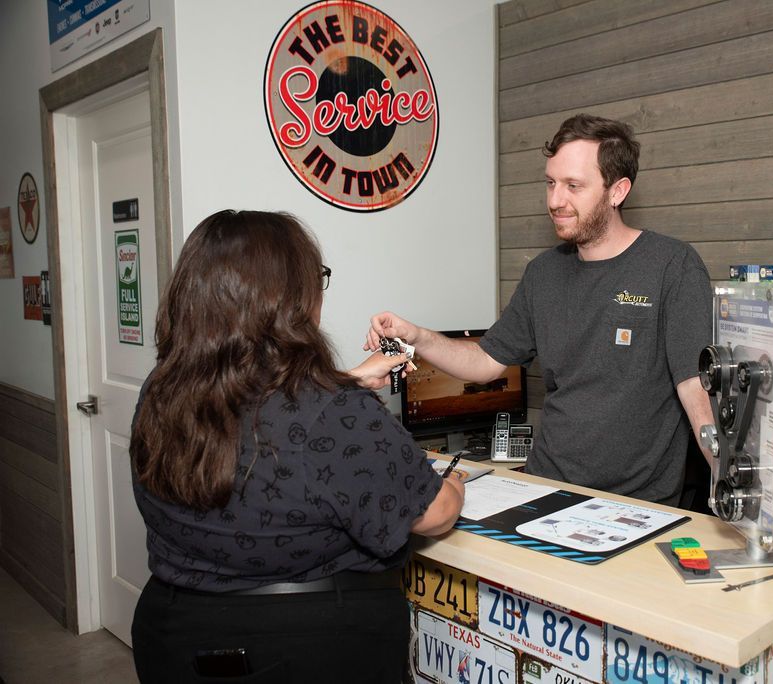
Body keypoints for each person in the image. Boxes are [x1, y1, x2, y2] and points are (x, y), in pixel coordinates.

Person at [129, 210, 464, 683]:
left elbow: (250, 408)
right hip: (305, 645)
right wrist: (453, 482)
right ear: (289, 299)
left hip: (172, 633)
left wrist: (343, 380)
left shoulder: (161, 390)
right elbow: (434, 513)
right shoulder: (334, 413)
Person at [365, 114, 714, 506]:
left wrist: (728, 485)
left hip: (634, 506)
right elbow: (485, 361)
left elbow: (695, 389)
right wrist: (417, 336)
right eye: (551, 183)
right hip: (546, 490)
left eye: (573, 186)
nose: (554, 201)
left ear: (617, 191)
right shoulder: (543, 273)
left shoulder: (672, 266)